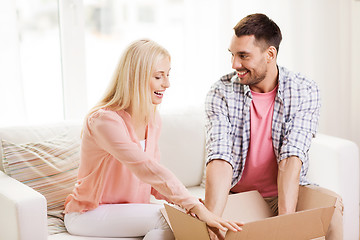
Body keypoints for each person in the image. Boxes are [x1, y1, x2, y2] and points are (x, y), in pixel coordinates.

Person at [63, 39, 242, 239]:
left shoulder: (153, 119)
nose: (167, 83)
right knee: (166, 218)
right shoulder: (104, 121)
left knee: (176, 224)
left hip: (128, 210)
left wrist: (192, 206)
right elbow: (147, 169)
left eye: (168, 75)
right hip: (88, 213)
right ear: (136, 78)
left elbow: (152, 183)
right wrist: (190, 204)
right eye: (159, 76)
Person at [204, 13, 343, 240]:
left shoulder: (304, 89)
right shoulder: (221, 91)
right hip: (242, 195)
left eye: (243, 56)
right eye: (232, 55)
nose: (234, 64)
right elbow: (220, 157)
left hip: (286, 193)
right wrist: (211, 219)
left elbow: (292, 156)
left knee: (333, 209)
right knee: (208, 228)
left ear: (270, 54)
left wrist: (285, 226)